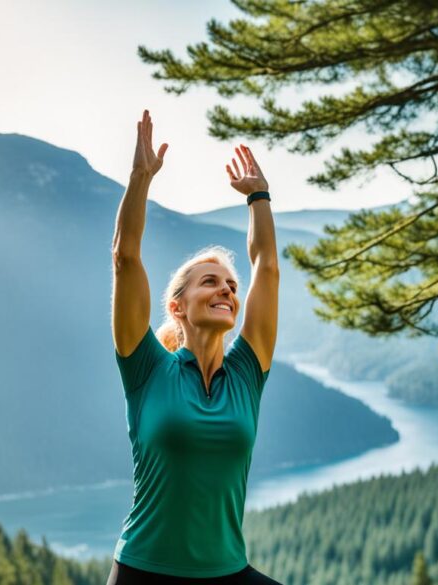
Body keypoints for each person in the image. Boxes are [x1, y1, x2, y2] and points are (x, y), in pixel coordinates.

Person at [107, 109, 282, 584]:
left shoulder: (248, 373)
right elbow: (125, 258)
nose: (227, 290)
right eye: (211, 282)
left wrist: (259, 196)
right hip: (144, 573)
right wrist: (140, 178)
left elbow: (266, 267)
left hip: (228, 573)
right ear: (177, 305)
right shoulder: (145, 369)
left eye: (230, 284)